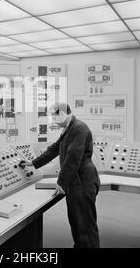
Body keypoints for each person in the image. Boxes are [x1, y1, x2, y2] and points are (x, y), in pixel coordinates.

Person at [22, 102, 100, 248]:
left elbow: (73, 157)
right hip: (75, 181)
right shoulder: (69, 129)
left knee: (85, 225)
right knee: (77, 222)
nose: (53, 121)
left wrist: (61, 182)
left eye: (54, 116)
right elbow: (54, 149)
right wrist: (33, 163)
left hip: (83, 181)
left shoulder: (79, 128)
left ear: (62, 114)